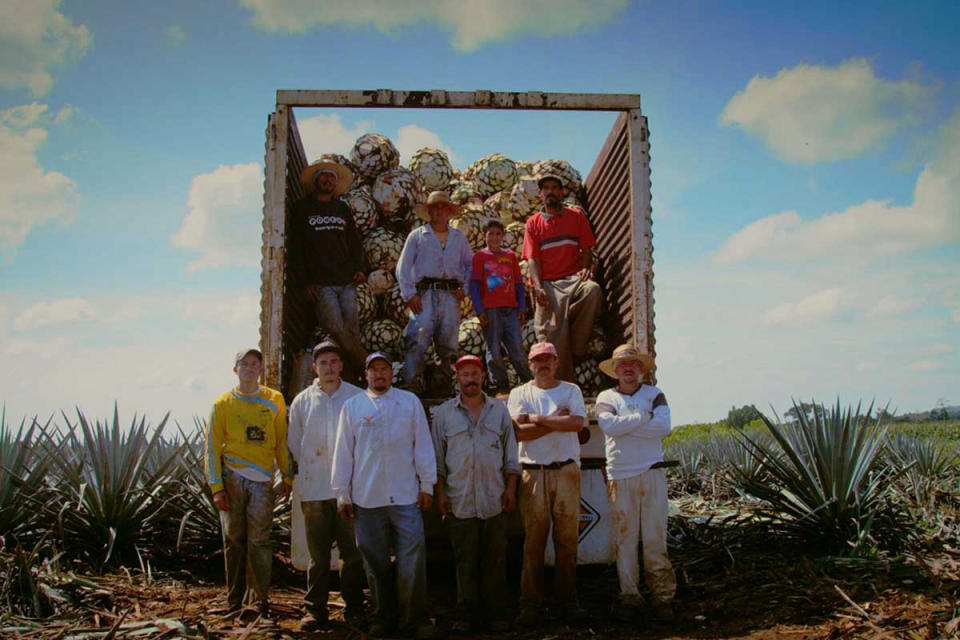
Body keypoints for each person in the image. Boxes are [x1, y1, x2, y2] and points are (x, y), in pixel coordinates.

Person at [331, 352, 440, 639]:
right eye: (373, 370)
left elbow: (423, 446)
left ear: (392, 373)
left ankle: (415, 619)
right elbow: (343, 452)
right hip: (367, 499)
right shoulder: (353, 407)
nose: (379, 374)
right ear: (365, 375)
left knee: (412, 561)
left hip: (405, 497)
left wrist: (427, 485)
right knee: (375, 562)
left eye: (384, 369)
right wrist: (342, 493)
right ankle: (383, 617)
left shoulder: (409, 403)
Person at [432, 355, 520, 632]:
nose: (470, 378)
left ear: (483, 377)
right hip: (459, 498)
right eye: (464, 374)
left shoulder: (499, 411)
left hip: (494, 496)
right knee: (465, 558)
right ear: (457, 378)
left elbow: (511, 455)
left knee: (495, 558)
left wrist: (511, 489)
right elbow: (437, 458)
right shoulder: (444, 414)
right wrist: (441, 494)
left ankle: (497, 614)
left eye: (474, 373)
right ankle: (466, 614)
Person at [205, 348, 293, 617]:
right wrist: (217, 487)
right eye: (244, 364)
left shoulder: (273, 399)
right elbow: (210, 447)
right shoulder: (222, 403)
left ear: (261, 370)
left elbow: (281, 441)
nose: (250, 368)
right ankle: (233, 601)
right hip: (232, 477)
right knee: (233, 540)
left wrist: (287, 476)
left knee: (259, 542)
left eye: (255, 364)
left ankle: (259, 602)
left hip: (262, 480)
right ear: (236, 369)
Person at [507, 341, 588, 625]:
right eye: (537, 360)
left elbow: (577, 425)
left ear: (556, 362)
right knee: (533, 542)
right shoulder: (519, 393)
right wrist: (557, 420)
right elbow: (518, 434)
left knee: (567, 540)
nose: (543, 364)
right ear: (529, 364)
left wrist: (538, 419)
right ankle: (530, 603)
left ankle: (567, 601)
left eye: (548, 359)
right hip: (533, 473)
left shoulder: (571, 390)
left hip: (565, 471)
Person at [287, 340, 365, 631]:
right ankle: (314, 610)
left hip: (349, 492)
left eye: (334, 362)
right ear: (314, 367)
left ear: (341, 365)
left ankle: (354, 609)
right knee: (317, 557)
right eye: (323, 363)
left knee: (351, 555)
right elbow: (295, 443)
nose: (329, 368)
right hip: (315, 489)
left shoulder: (357, 398)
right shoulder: (302, 401)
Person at [596, 344, 676, 621]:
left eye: (633, 364)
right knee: (625, 540)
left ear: (641, 368)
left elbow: (664, 427)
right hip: (620, 475)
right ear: (615, 371)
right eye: (622, 365)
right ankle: (630, 597)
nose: (628, 369)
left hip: (652, 473)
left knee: (655, 538)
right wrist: (643, 417)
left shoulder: (655, 394)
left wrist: (626, 426)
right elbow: (608, 426)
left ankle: (662, 598)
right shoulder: (606, 396)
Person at [522, 174, 602, 382]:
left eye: (554, 188)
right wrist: (538, 287)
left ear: (561, 192)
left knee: (593, 291)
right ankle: (562, 382)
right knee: (550, 331)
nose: (550, 191)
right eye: (546, 188)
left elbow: (587, 248)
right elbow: (532, 259)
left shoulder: (575, 217)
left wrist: (585, 268)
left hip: (573, 279)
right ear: (541, 194)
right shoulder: (533, 223)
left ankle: (577, 348)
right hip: (548, 283)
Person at [295, 157, 368, 381]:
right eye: (323, 175)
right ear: (316, 180)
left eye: (331, 176)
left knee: (352, 330)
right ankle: (369, 365)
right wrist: (304, 283)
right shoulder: (303, 209)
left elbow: (354, 242)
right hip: (321, 283)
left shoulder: (342, 208)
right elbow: (297, 248)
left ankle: (353, 379)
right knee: (336, 327)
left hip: (345, 281)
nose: (327, 180)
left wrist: (359, 268)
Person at [396, 190, 473, 393]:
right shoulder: (418, 236)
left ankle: (443, 388)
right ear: (429, 212)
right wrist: (409, 295)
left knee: (448, 343)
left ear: (449, 211)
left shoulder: (459, 238)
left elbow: (469, 265)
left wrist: (464, 288)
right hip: (424, 295)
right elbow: (402, 267)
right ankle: (409, 387)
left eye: (443, 207)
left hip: (450, 296)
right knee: (417, 339)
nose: (439, 211)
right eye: (435, 207)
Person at [469, 218, 533, 393]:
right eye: (491, 234)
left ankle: (528, 383)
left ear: (503, 236)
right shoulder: (480, 257)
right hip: (491, 310)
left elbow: (519, 284)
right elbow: (474, 285)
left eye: (498, 234)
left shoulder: (510, 256)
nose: (495, 238)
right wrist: (479, 310)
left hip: (510, 310)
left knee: (517, 348)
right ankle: (500, 385)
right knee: (494, 349)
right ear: (484, 236)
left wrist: (521, 307)